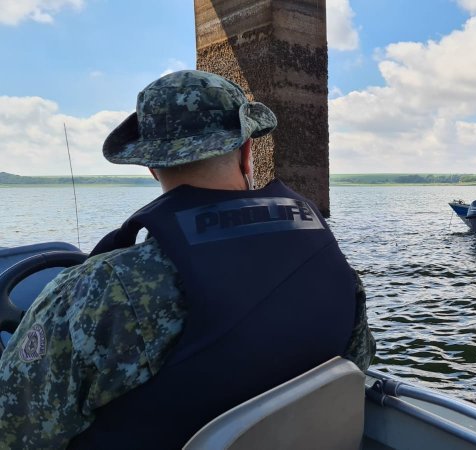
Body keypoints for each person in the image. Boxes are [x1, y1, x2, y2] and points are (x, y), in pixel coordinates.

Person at [0, 70, 376, 449]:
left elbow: (15, 430)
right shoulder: (326, 257)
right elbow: (357, 362)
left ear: (150, 166)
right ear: (247, 152)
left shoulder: (97, 290)